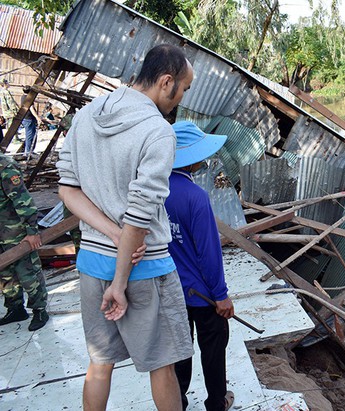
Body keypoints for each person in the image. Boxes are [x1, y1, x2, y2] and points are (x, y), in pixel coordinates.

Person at [57, 43, 195, 411]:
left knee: (99, 365)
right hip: (143, 269)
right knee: (163, 368)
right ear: (166, 83)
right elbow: (138, 216)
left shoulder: (85, 117)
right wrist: (120, 281)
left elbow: (68, 188)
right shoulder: (158, 131)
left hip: (91, 264)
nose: (181, 97)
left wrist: (112, 234)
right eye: (183, 88)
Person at [165, 121, 234, 411]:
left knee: (179, 352)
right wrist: (220, 294)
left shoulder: (153, 189)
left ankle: (176, 401)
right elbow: (209, 252)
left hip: (170, 290)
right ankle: (217, 402)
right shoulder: (195, 197)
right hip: (202, 294)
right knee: (214, 348)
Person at [0, 153, 48, 331]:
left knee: (27, 272)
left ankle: (40, 310)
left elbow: (23, 200)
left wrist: (32, 230)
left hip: (15, 231)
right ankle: (15, 308)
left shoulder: (5, 166)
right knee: (5, 274)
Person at [20, 86, 42, 160]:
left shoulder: (23, 97)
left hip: (27, 119)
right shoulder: (28, 99)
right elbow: (31, 108)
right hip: (28, 119)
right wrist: (37, 117)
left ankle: (30, 151)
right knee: (30, 136)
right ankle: (28, 152)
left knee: (31, 135)